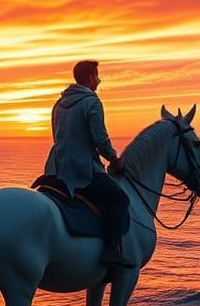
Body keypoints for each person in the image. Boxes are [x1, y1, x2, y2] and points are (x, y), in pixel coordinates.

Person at [44, 60, 133, 267]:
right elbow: (100, 141)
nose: (99, 81)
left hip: (55, 169)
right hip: (82, 170)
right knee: (120, 199)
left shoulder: (59, 103)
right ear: (91, 77)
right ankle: (112, 248)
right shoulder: (92, 102)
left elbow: (57, 136)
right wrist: (115, 160)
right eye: (97, 76)